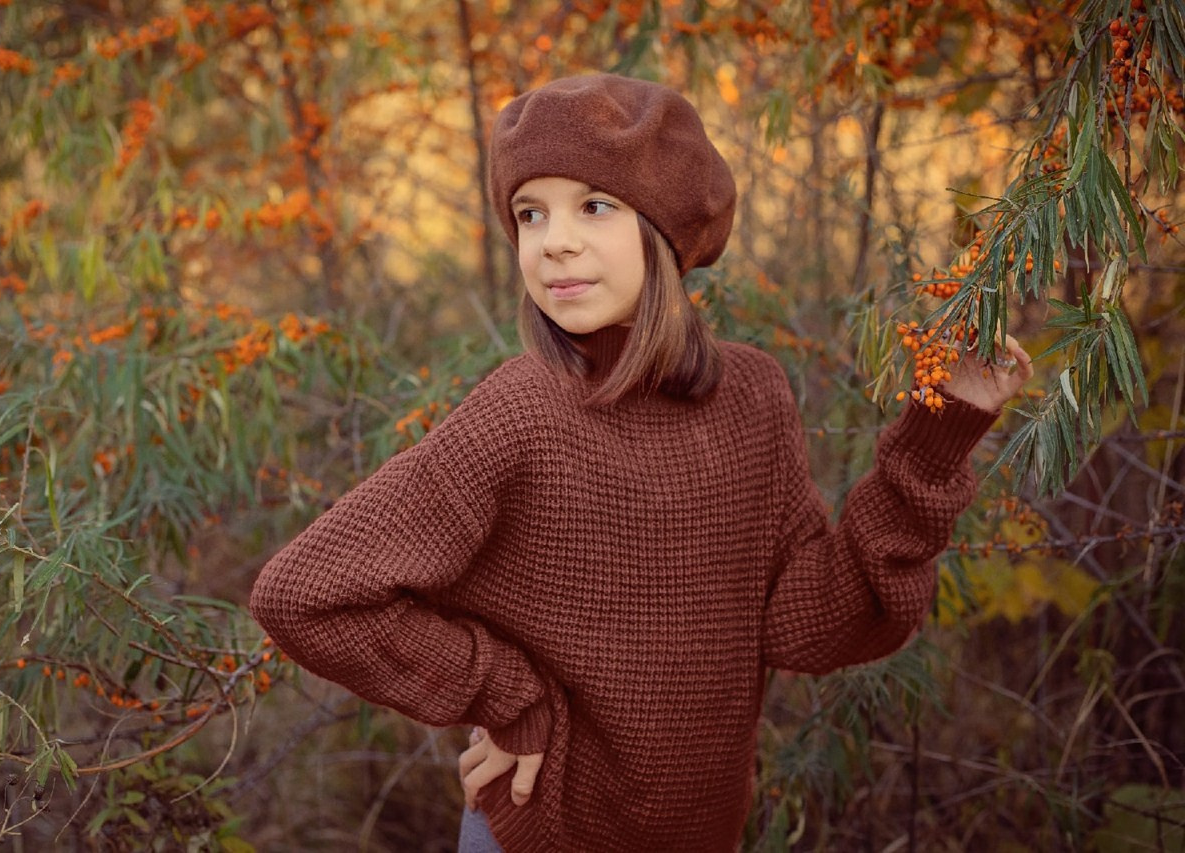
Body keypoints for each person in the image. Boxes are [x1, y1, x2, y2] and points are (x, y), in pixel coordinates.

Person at [249, 73, 1033, 852]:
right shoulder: (523, 407)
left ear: (665, 229)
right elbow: (304, 592)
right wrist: (507, 694)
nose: (554, 239)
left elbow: (810, 621)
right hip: (540, 830)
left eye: (595, 205)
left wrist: (942, 426)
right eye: (530, 213)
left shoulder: (752, 395)